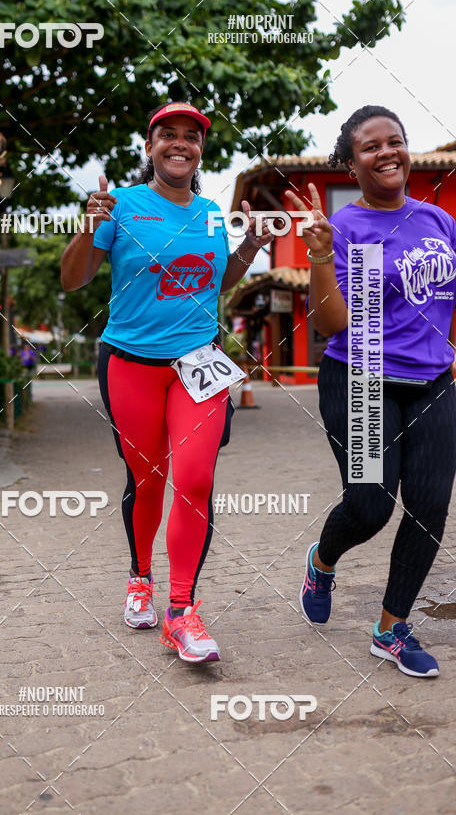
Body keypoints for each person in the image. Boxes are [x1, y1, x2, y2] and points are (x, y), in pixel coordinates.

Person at [61, 101, 272, 663]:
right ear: (149, 147)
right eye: (168, 136)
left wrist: (249, 245)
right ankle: (139, 577)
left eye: (191, 137)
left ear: (200, 150)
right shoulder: (121, 205)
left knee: (196, 477)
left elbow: (215, 280)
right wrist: (89, 226)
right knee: (148, 479)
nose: (180, 144)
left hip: (197, 366)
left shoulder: (208, 212)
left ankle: (182, 611)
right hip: (130, 363)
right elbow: (72, 279)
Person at [286, 104, 456, 678]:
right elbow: (334, 324)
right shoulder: (349, 229)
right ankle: (322, 559)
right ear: (351, 164)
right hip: (362, 380)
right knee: (371, 504)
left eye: (395, 141)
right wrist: (319, 254)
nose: (387, 152)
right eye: (370, 146)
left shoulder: (438, 221)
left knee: (430, 508)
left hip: (432, 383)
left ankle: (391, 628)